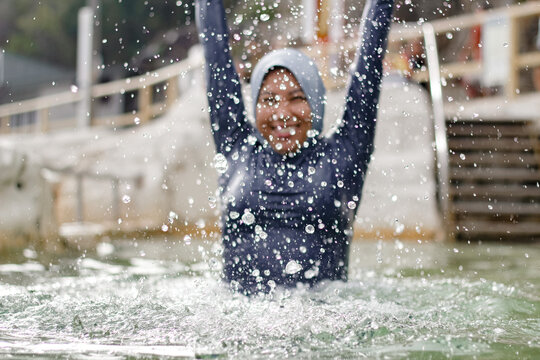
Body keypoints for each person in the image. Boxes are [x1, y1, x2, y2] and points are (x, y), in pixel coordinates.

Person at [196, 0, 394, 294]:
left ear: (315, 102)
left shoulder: (344, 155)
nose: (282, 114)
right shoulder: (236, 146)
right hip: (240, 324)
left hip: (321, 321)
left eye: (297, 98)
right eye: (269, 99)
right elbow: (215, 51)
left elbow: (369, 55)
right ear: (255, 104)